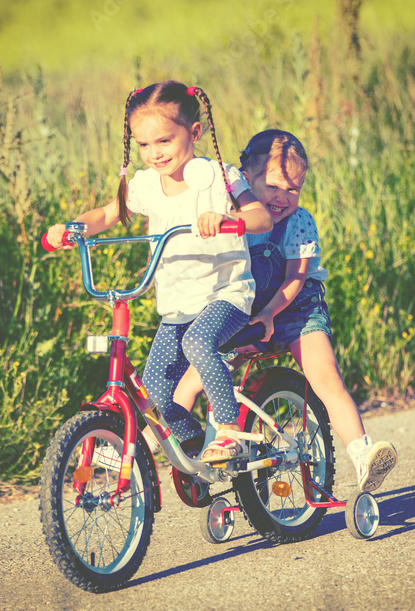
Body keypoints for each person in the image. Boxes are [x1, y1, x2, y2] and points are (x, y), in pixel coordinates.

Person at [45, 80, 273, 467]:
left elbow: (261, 216)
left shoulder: (218, 177)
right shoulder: (145, 185)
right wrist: (74, 228)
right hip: (177, 305)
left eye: (164, 141)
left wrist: (228, 218)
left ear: (194, 132)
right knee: (156, 394)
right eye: (144, 145)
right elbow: (107, 213)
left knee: (199, 344)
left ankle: (229, 429)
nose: (154, 153)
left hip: (225, 295)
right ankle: (194, 447)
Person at [171, 129, 398, 493]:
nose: (283, 198)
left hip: (295, 308)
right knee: (193, 377)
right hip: (244, 307)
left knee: (325, 378)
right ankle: (179, 451)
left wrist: (271, 315)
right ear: (247, 179)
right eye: (274, 187)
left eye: (293, 190)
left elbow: (295, 277)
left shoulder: (298, 222)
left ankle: (363, 453)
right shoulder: (231, 216)